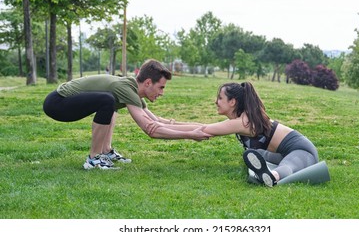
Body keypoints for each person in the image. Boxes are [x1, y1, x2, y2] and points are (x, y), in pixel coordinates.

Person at [43, 59, 210, 170]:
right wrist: (189, 134)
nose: (162, 93)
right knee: (107, 100)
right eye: (161, 87)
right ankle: (93, 159)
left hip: (63, 102)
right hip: (57, 103)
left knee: (110, 102)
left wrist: (202, 128)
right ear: (148, 83)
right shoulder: (126, 89)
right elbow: (150, 129)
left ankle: (106, 151)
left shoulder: (131, 90)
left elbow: (158, 121)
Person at [147, 82, 319, 187]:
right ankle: (264, 169)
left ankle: (271, 177)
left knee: (288, 165)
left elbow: (204, 130)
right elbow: (202, 126)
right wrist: (168, 123)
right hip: (280, 153)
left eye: (220, 98)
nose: (216, 101)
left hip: (303, 152)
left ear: (232, 102)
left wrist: (163, 126)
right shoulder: (240, 120)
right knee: (256, 154)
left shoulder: (242, 122)